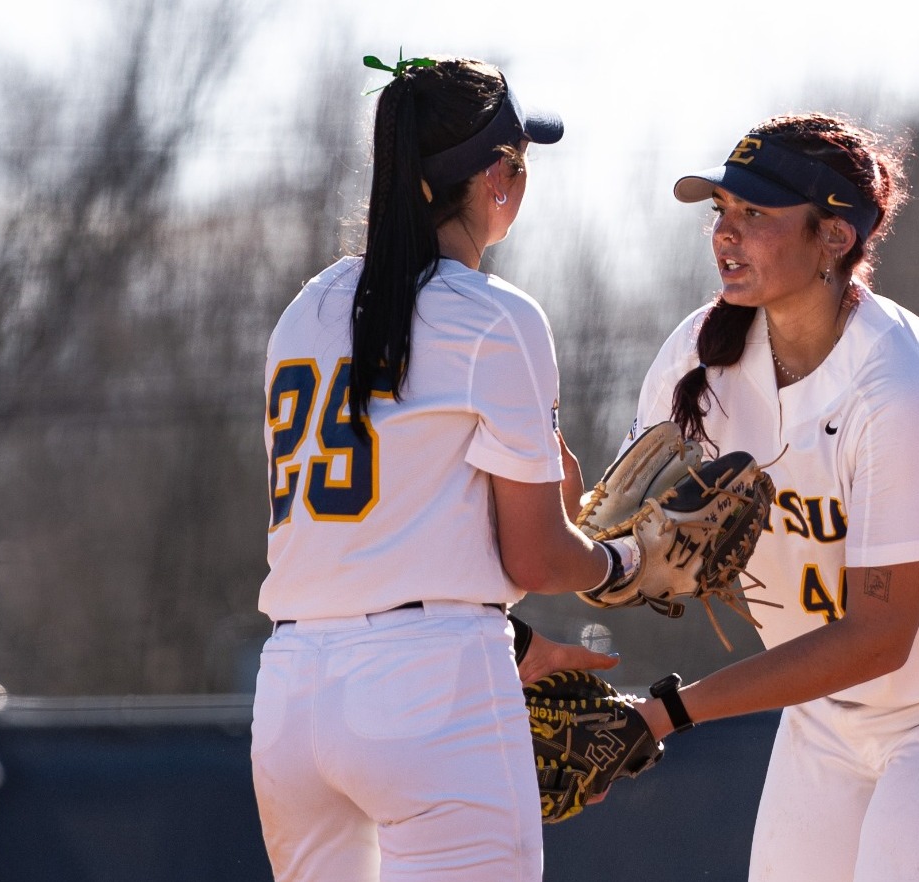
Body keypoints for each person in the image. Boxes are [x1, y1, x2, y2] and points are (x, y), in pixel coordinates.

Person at [622, 114, 919, 881]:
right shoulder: (699, 354)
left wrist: (668, 712)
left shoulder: (899, 384)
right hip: (827, 719)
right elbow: (636, 537)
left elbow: (876, 638)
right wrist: (594, 559)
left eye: (756, 215)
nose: (725, 235)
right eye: (721, 213)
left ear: (833, 239)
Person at [251, 55, 637, 881]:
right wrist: (623, 563)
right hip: (430, 684)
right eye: (519, 164)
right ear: (497, 178)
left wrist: (517, 638)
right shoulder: (494, 318)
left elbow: (365, 540)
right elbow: (534, 558)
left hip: (288, 692)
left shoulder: (307, 308)